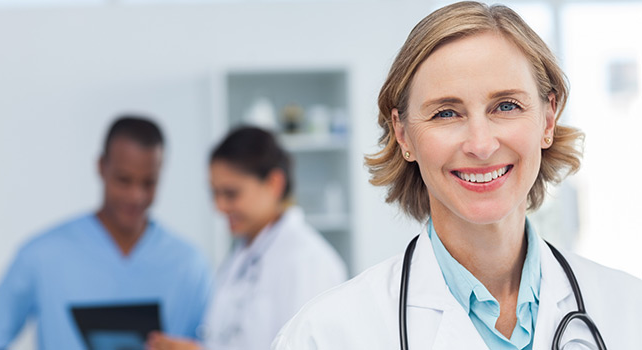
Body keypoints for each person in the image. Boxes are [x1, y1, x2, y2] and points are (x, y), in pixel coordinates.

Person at [272, 2, 642, 349]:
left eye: (506, 106)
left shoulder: (628, 311)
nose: (480, 145)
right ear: (403, 134)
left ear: (548, 118)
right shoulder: (327, 335)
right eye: (446, 113)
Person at [0, 116, 213, 350]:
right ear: (101, 166)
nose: (136, 196)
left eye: (148, 183)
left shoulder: (189, 265)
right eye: (124, 180)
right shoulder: (42, 255)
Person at [148, 126, 347, 350]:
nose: (219, 206)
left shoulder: (306, 261)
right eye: (215, 193)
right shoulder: (243, 254)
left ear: (274, 183)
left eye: (231, 194)